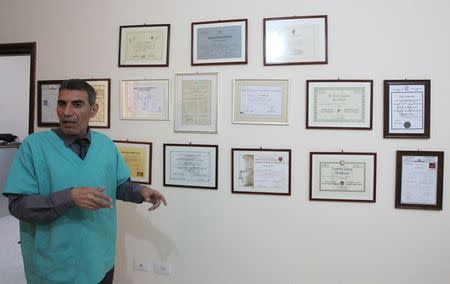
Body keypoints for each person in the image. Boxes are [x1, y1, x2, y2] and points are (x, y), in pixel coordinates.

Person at [3, 79, 167, 284]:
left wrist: (140, 191)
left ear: (93, 109)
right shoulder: (33, 147)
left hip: (100, 260)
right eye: (62, 104)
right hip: (53, 268)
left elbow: (117, 185)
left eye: (77, 104)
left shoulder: (105, 145)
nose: (67, 112)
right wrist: (70, 197)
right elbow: (18, 205)